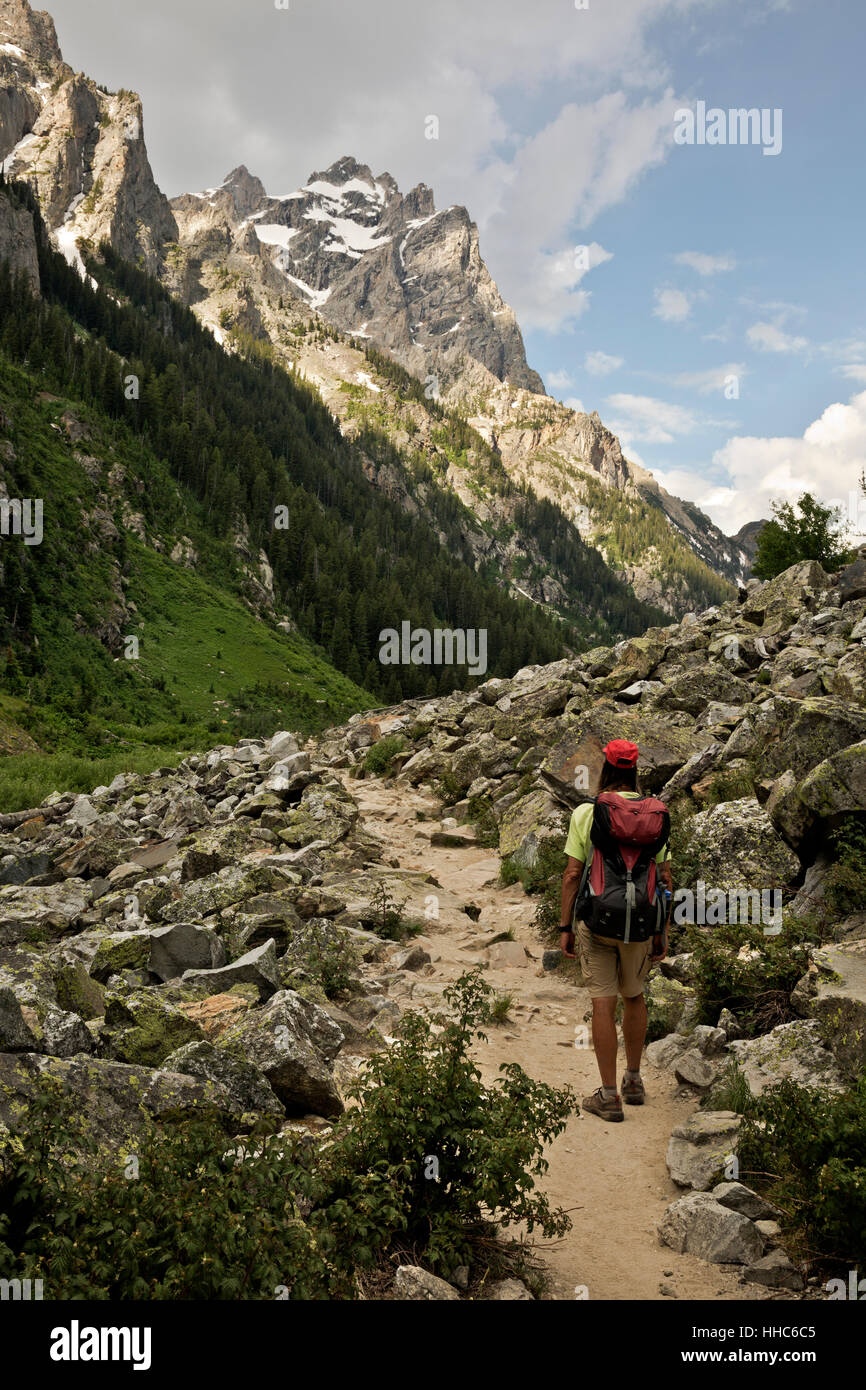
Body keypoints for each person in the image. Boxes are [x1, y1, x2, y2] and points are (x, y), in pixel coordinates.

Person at [558, 739, 672, 1123]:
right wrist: (661, 931)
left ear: (606, 767)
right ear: (635, 770)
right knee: (635, 997)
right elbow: (665, 878)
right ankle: (635, 1080)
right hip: (640, 922)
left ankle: (608, 1096)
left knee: (602, 1003)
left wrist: (564, 927)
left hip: (596, 921)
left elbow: (573, 873)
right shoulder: (654, 814)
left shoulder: (587, 813)